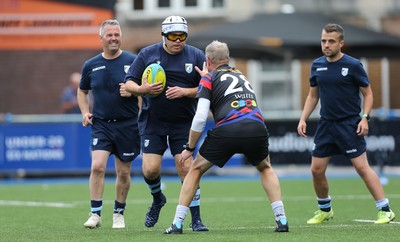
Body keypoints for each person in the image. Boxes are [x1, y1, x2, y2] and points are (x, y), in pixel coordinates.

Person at [164, 40, 289, 234]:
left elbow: (200, 118)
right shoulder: (240, 75)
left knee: (195, 170)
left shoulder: (209, 78)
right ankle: (282, 220)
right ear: (227, 59)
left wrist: (189, 148)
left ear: (207, 60)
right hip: (256, 126)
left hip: (228, 129)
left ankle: (177, 224)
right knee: (265, 168)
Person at [297, 23, 395, 224]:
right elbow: (312, 95)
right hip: (326, 125)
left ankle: (385, 209)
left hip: (349, 124)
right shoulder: (317, 65)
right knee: (316, 170)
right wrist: (303, 118)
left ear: (341, 43)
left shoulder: (353, 65)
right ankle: (325, 209)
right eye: (324, 40)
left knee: (362, 168)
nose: (326, 45)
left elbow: (368, 94)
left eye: (331, 41)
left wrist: (365, 118)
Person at [123, 16, 208, 231]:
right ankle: (157, 198)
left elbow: (208, 86)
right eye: (173, 36)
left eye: (182, 36)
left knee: (186, 168)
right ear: (164, 36)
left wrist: (185, 92)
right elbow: (129, 83)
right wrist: (144, 89)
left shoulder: (196, 55)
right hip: (153, 121)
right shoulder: (148, 54)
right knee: (150, 170)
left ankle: (196, 218)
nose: (178, 40)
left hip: (183, 123)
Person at [77, 19, 140, 229]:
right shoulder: (91, 65)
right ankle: (95, 214)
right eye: (110, 35)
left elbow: (147, 90)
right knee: (97, 167)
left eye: (117, 34)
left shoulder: (134, 61)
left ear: (120, 36)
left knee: (123, 173)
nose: (114, 38)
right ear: (101, 38)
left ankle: (118, 213)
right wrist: (85, 112)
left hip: (128, 124)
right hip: (102, 124)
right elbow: (82, 90)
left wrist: (134, 91)